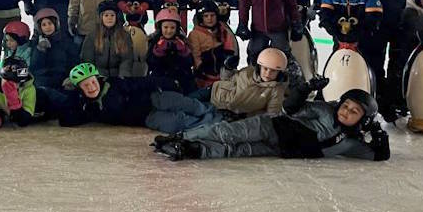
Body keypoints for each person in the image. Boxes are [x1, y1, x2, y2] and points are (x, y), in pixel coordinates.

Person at [156, 78, 390, 162]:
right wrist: (304, 89)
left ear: (363, 121)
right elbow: (291, 107)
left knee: (235, 151)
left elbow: (378, 155)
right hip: (272, 126)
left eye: (354, 112)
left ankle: (191, 150)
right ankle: (181, 137)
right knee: (226, 133)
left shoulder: (350, 143)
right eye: (346, 105)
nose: (346, 112)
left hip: (281, 149)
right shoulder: (324, 111)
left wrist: (381, 136)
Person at [58, 63, 213, 133]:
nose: (91, 87)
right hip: (146, 118)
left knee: (189, 105)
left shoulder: (114, 83)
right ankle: (212, 118)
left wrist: (169, 83)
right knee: (177, 123)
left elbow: (141, 82)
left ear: (97, 79)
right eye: (85, 86)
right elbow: (66, 120)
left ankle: (211, 105)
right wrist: (72, 94)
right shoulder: (88, 107)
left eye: (92, 82)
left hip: (154, 98)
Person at [366, 0, 413, 119]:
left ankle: (395, 98)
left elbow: (412, 2)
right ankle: (376, 95)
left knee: (397, 64)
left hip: (398, 28)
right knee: (376, 63)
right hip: (377, 28)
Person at [0, 57, 59, 130]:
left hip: (43, 103)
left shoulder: (29, 88)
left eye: (19, 82)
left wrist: (14, 101)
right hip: (19, 111)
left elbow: (23, 121)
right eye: (13, 82)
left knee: (60, 104)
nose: (17, 86)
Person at [80, 1, 139, 78]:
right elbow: (87, 61)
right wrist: (94, 78)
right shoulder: (91, 36)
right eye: (106, 15)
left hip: (118, 77)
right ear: (101, 18)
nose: (109, 18)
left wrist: (123, 78)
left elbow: (126, 60)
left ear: (116, 17)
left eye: (112, 15)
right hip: (97, 78)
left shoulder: (125, 36)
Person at [28, 7, 81, 90]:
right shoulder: (35, 43)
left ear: (56, 24)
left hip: (62, 80)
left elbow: (74, 62)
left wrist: (71, 78)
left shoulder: (66, 42)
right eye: (44, 25)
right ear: (39, 27)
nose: (47, 27)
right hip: (42, 81)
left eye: (50, 23)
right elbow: (33, 67)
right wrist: (40, 50)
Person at [188, 2, 238, 88]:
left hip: (223, 75)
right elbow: (195, 55)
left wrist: (228, 63)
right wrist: (201, 70)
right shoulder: (195, 34)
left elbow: (230, 48)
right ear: (201, 18)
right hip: (204, 77)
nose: (210, 19)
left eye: (212, 15)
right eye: (206, 16)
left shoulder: (222, 30)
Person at [147, 7, 196, 94]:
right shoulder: (154, 41)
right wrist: (158, 53)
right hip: (161, 80)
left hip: (181, 80)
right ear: (160, 27)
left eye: (172, 28)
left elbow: (190, 63)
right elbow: (149, 63)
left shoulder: (182, 40)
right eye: (165, 27)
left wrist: (184, 52)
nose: (169, 31)